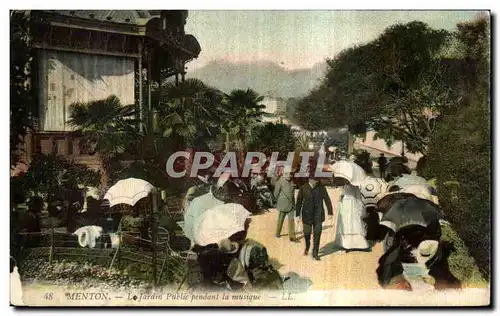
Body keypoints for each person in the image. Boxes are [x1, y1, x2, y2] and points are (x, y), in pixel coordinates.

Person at [296, 176, 333, 261]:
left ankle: (315, 252)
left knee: (317, 233)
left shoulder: (321, 188)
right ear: (309, 179)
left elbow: (327, 199)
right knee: (307, 233)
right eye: (314, 180)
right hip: (307, 215)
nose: (316, 181)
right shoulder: (303, 188)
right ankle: (307, 245)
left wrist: (330, 212)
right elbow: (299, 202)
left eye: (317, 180)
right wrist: (297, 215)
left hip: (318, 215)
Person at [334, 181, 371, 251]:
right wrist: (341, 197)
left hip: (353, 205)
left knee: (354, 223)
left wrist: (360, 207)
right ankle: (346, 244)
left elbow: (358, 197)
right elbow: (343, 194)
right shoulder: (344, 186)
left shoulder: (355, 186)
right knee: (346, 224)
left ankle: (358, 244)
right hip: (345, 205)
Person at [274, 172, 297, 242]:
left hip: (291, 203)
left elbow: (292, 193)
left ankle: (292, 236)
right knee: (281, 219)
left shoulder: (292, 181)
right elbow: (276, 193)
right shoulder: (280, 181)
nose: (290, 175)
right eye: (288, 174)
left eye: (291, 174)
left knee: (291, 219)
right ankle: (278, 233)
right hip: (283, 203)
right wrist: (277, 201)